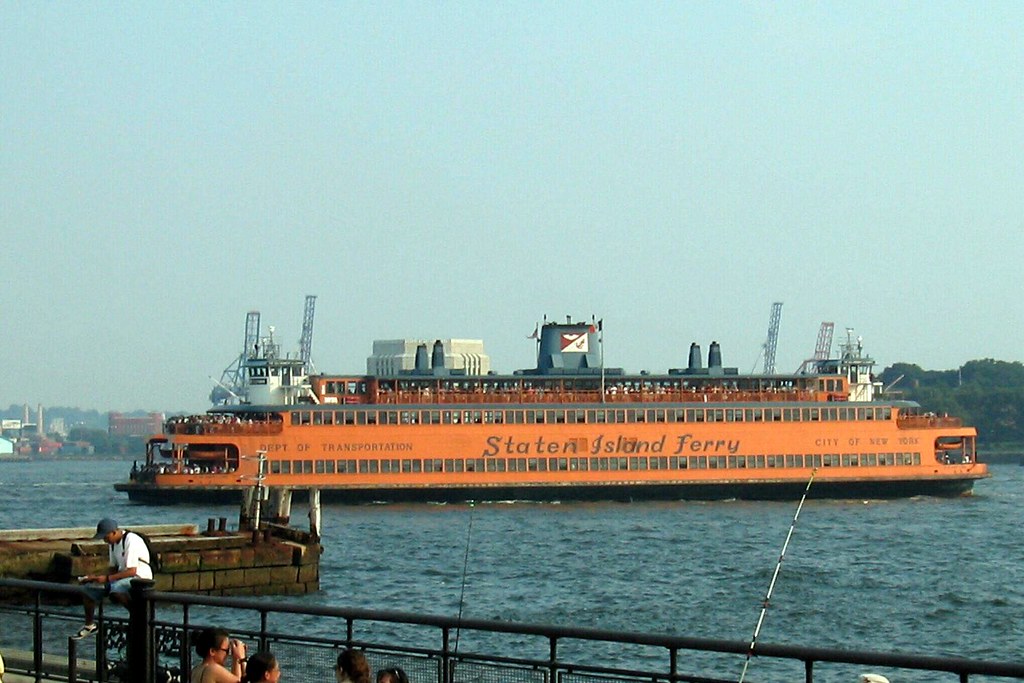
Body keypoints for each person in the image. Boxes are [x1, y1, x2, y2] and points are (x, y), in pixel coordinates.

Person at [75, 517, 153, 638]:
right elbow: (112, 569)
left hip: (140, 577)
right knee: (89, 590)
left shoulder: (130, 540)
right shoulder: (113, 545)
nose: (105, 541)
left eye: (106, 537)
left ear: (114, 532)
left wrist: (107, 579)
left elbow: (131, 571)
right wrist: (94, 578)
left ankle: (138, 617)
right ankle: (89, 625)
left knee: (116, 589)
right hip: (123, 576)